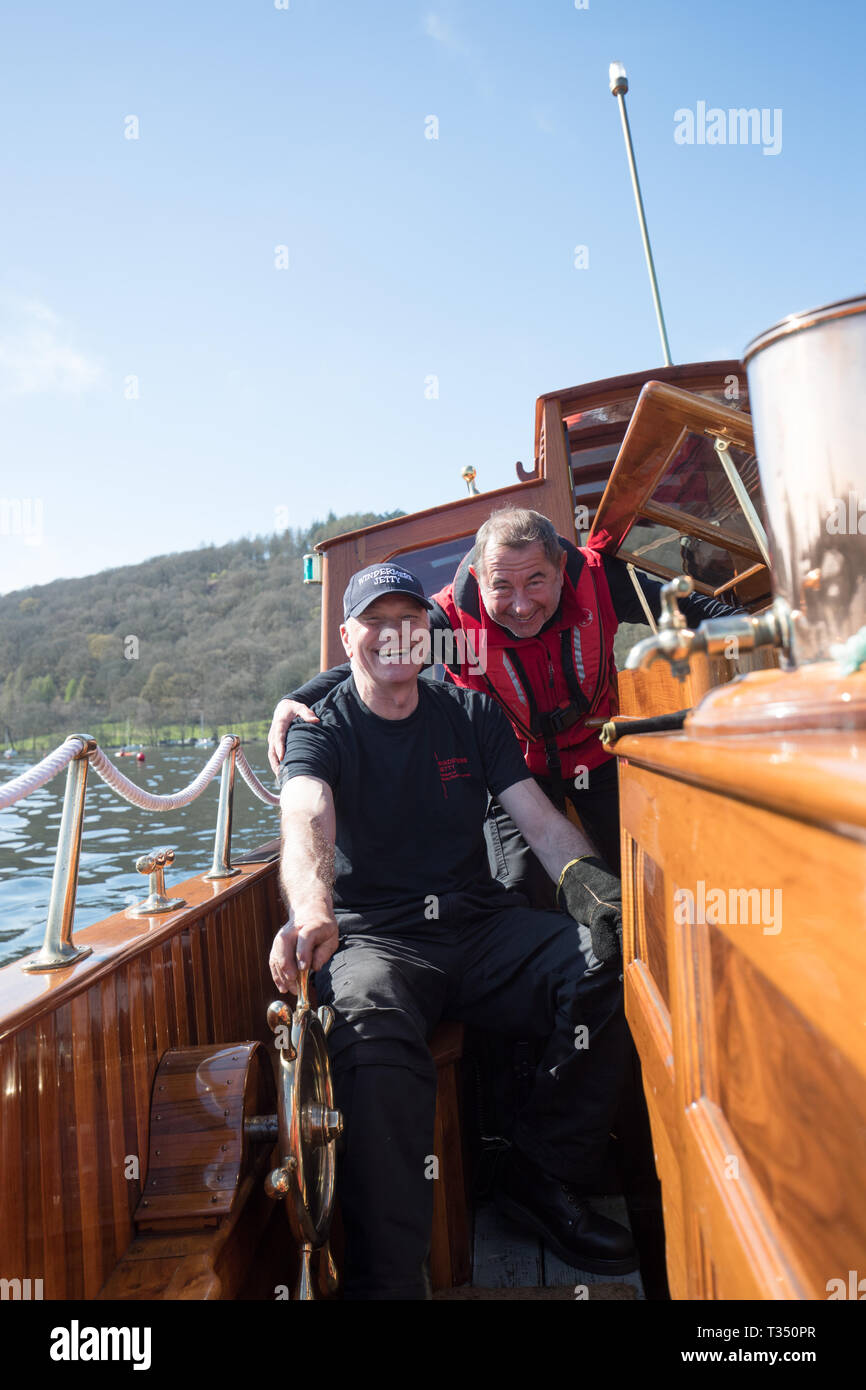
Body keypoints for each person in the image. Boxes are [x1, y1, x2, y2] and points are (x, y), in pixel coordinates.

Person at [269, 561, 637, 1299]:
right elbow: (306, 813)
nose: (394, 636)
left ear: (428, 638)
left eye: (409, 621)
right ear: (347, 638)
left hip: (477, 928)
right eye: (375, 622)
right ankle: (392, 1281)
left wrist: (597, 894)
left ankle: (541, 1168)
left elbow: (536, 818)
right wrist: (312, 910)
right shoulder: (321, 727)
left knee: (609, 960)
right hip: (378, 942)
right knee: (366, 1032)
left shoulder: (469, 715)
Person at [268, 507, 743, 895]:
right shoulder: (452, 624)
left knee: (656, 873)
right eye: (501, 586)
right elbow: (377, 656)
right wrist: (296, 699)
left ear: (560, 570)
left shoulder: (601, 583)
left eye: (535, 581)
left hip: (599, 760)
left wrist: (785, 633)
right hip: (515, 778)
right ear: (479, 577)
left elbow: (703, 615)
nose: (520, 605)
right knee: (520, 892)